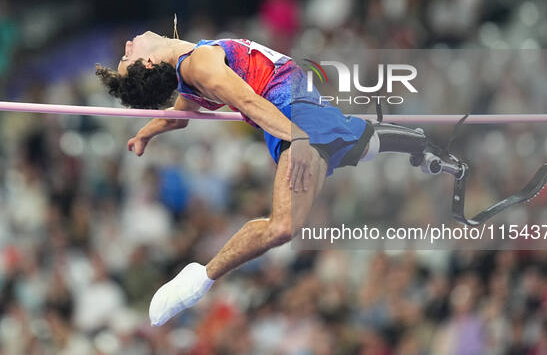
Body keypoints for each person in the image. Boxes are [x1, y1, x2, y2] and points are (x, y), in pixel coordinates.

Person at [96, 31, 428, 326]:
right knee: (287, 223)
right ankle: (198, 281)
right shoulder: (195, 68)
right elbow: (219, 108)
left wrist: (297, 138)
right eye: (128, 56)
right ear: (151, 63)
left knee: (303, 205)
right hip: (294, 117)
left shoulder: (195, 65)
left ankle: (199, 280)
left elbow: (218, 108)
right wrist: (146, 133)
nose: (127, 44)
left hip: (300, 117)